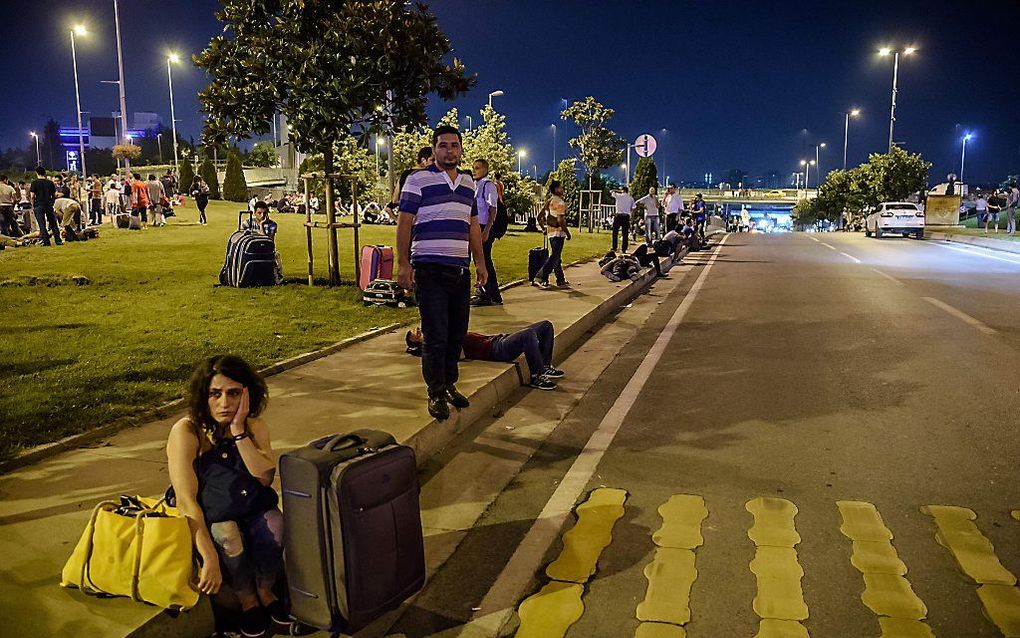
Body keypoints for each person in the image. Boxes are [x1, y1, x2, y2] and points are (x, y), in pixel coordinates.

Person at [167, 355, 292, 638]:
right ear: (204, 395)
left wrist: (238, 432)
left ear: (247, 394)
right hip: (214, 517)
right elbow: (187, 501)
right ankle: (247, 600)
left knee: (276, 523)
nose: (224, 403)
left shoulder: (253, 426)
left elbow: (264, 477)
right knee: (227, 532)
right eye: (215, 394)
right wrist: (208, 557)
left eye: (234, 393)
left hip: (251, 507)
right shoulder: (187, 432)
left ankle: (265, 589)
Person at [396, 125, 487, 422]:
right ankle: (435, 392)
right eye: (443, 145)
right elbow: (405, 222)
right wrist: (403, 264)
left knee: (456, 333)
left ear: (461, 149)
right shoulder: (417, 179)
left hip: (458, 269)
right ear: (434, 149)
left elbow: (473, 225)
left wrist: (480, 263)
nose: (449, 150)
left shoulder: (467, 183)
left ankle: (449, 384)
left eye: (454, 146)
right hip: (428, 267)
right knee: (435, 335)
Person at [405, 321, 563, 391]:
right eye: (418, 334)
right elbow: (459, 355)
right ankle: (537, 375)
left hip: (498, 339)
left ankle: (546, 366)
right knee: (528, 334)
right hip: (496, 350)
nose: (422, 330)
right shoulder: (442, 344)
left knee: (545, 326)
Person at [470, 158, 503, 306]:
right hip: (476, 226)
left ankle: (484, 293)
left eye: (477, 168)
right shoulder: (476, 185)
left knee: (482, 260)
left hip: (483, 226)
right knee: (484, 260)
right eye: (473, 167)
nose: (474, 170)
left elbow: (493, 208)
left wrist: (487, 230)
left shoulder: (488, 186)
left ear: (485, 169)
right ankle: (493, 294)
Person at [534, 180, 571, 289]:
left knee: (556, 257)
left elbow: (539, 217)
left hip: (550, 233)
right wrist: (567, 232)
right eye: (561, 187)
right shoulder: (560, 202)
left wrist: (543, 228)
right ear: (556, 189)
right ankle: (541, 276)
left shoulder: (549, 201)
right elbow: (560, 220)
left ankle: (560, 279)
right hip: (558, 233)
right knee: (555, 257)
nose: (563, 189)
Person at [29, 166, 61, 246]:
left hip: (38, 205)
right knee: (53, 223)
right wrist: (52, 203)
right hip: (48, 205)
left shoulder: (34, 183)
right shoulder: (50, 183)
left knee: (42, 224)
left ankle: (46, 241)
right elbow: (54, 195)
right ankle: (58, 240)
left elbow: (32, 196)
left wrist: (33, 205)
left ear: (37, 173)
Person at [610, 186, 635, 252]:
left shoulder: (618, 196)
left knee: (615, 232)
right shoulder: (631, 198)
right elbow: (633, 208)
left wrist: (618, 190)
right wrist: (632, 217)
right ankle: (624, 248)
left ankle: (614, 247)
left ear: (622, 190)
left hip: (618, 216)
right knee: (625, 233)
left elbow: (611, 191)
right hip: (626, 216)